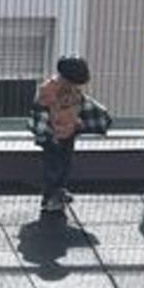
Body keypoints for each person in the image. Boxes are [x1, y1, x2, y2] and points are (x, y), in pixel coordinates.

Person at [33, 55, 90, 213]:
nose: (74, 86)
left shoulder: (73, 89)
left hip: (68, 131)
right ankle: (49, 196)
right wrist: (48, 133)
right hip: (53, 135)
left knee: (66, 163)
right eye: (72, 82)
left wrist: (77, 121)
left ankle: (60, 189)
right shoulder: (48, 89)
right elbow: (41, 113)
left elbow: (76, 105)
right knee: (53, 166)